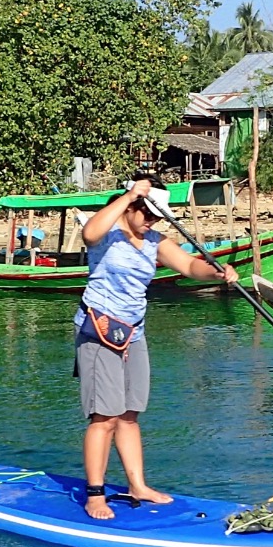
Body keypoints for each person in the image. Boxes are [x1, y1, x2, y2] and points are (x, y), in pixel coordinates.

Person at [75, 177, 238, 521]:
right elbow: (89, 233)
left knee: (130, 414)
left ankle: (138, 485)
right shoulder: (108, 231)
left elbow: (190, 266)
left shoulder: (155, 241)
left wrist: (217, 272)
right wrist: (129, 195)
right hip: (98, 328)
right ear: (131, 205)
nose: (151, 221)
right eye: (146, 214)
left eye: (157, 217)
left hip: (134, 333)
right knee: (104, 416)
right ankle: (95, 494)